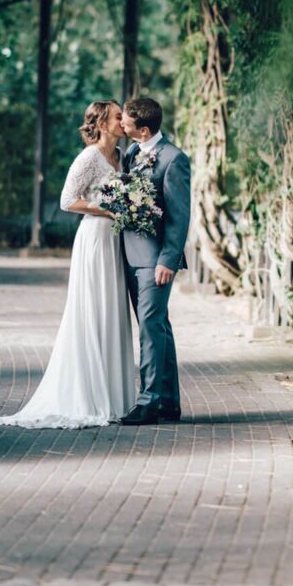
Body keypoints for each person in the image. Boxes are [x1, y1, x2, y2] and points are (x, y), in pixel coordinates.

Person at [0, 100, 134, 429]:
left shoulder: (122, 157)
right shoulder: (88, 158)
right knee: (93, 311)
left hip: (115, 242)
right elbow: (67, 200)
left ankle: (115, 397)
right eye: (118, 116)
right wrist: (108, 210)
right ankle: (88, 396)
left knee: (113, 311)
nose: (124, 121)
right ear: (102, 123)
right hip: (94, 239)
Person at [117, 97, 192, 425]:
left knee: (150, 328)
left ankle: (148, 402)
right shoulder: (132, 153)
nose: (120, 124)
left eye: (126, 121)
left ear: (143, 129)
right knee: (159, 327)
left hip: (154, 261)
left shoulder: (174, 159)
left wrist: (168, 260)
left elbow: (179, 215)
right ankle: (168, 403)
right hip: (131, 256)